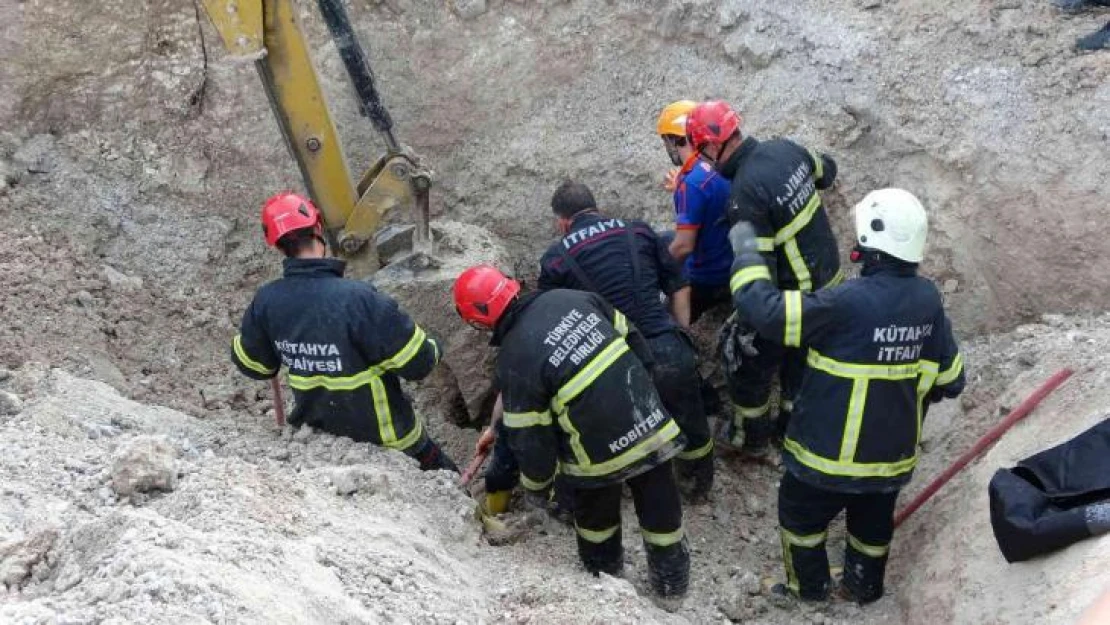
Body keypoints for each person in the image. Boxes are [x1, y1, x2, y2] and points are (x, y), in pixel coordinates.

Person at [727, 188, 966, 603]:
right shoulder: (928, 299)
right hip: (890, 460)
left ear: (872, 242)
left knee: (800, 519)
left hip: (825, 458)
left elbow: (766, 313)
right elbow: (952, 380)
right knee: (871, 528)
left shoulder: (847, 302)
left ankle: (809, 591)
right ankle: (863, 587)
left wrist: (748, 256)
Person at [453, 265, 690, 600]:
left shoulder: (513, 358)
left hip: (595, 455)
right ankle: (672, 587)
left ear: (477, 319)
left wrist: (538, 489)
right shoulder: (573, 298)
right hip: (649, 422)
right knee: (660, 505)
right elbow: (634, 339)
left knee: (597, 521)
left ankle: (605, 582)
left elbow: (531, 442)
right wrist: (643, 396)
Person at [230, 192, 457, 472]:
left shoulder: (267, 300)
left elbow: (255, 366)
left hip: (321, 440)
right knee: (450, 481)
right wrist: (436, 342)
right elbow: (418, 363)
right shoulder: (358, 298)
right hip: (388, 440)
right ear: (317, 228)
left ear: (277, 247)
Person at [537, 180, 715, 500]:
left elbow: (556, 320)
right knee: (692, 423)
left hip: (617, 367)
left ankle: (627, 492)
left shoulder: (556, 259)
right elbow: (679, 285)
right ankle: (697, 487)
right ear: (597, 208)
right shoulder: (640, 231)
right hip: (668, 349)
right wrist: (680, 334)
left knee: (620, 437)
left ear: (563, 222)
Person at [686, 100, 843, 452]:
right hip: (830, 279)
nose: (703, 161)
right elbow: (826, 171)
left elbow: (758, 281)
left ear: (712, 146)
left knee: (746, 365)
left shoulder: (744, 195)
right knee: (800, 366)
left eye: (701, 152)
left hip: (797, 297)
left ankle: (750, 438)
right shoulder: (784, 149)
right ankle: (792, 430)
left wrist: (744, 322)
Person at [657, 100, 734, 324]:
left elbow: (683, 247)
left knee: (664, 312)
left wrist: (657, 272)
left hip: (710, 277)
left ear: (675, 139)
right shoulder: (717, 163)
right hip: (733, 259)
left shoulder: (691, 185)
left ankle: (682, 336)